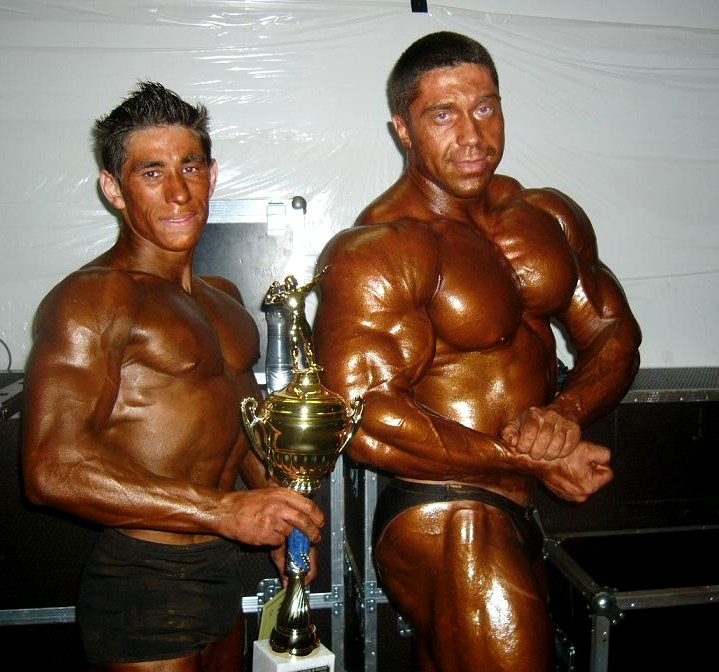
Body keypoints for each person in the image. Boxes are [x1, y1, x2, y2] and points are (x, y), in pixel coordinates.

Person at [313, 31, 641, 672]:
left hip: (516, 506)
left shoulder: (547, 217)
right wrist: (527, 456)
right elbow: (362, 416)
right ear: (403, 130)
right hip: (447, 510)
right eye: (443, 115)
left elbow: (613, 333)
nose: (472, 135)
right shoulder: (379, 246)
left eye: (485, 108)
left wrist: (564, 414)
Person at [21, 81, 325, 672]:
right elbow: (51, 469)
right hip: (142, 578)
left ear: (213, 174)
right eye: (151, 172)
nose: (179, 191)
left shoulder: (225, 300)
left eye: (190, 166)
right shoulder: (93, 298)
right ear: (114, 188)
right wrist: (225, 512)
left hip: (219, 571)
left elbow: (238, 428)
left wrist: (280, 515)